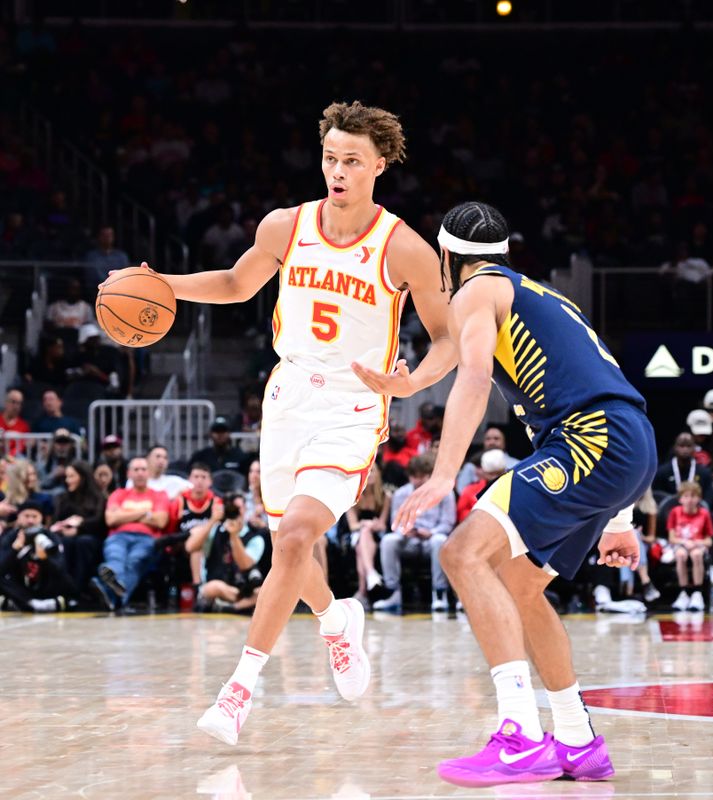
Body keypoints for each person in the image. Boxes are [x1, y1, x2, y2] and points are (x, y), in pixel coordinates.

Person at [104, 101, 455, 745]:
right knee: (291, 549)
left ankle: (238, 692)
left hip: (353, 405)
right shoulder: (285, 226)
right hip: (288, 395)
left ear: (379, 165)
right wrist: (166, 286)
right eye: (330, 157)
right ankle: (334, 620)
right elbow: (238, 284)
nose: (338, 171)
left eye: (352, 160)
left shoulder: (404, 247)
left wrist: (413, 382)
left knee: (293, 539)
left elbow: (447, 341)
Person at [393, 201, 657, 787]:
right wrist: (620, 516)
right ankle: (578, 738)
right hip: (624, 439)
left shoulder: (474, 291)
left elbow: (474, 375)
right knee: (517, 584)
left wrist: (442, 473)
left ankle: (519, 735)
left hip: (589, 437)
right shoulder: (530, 294)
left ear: (445, 257)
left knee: (461, 553)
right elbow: (604, 386)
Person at [372, 453, 456, 612]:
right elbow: (395, 523)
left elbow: (448, 523)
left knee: (439, 539)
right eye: (414, 476)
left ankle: (439, 593)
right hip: (409, 541)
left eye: (422, 476)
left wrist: (431, 532)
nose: (418, 481)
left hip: (432, 540)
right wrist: (405, 530)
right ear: (409, 476)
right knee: (389, 541)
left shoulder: (445, 493)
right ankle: (393, 592)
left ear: (430, 475)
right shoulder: (401, 494)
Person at [90, 456, 169, 612]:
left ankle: (108, 592)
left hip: (146, 538)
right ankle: (119, 599)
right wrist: (145, 513)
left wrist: (124, 514)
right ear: (129, 474)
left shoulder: (160, 495)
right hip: (118, 536)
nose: (140, 473)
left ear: (149, 473)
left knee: (134, 561)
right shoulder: (119, 494)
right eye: (136, 470)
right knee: (115, 558)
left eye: (143, 469)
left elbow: (160, 521)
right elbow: (111, 519)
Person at [0, 501, 74, 612]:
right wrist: (14, 550)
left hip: (45, 585)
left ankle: (19, 604)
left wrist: (44, 558)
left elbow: (60, 569)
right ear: (19, 517)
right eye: (26, 516)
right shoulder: (10, 536)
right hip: (20, 586)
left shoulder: (51, 537)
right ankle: (33, 603)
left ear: (41, 518)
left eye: (35, 516)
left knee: (67, 580)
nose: (30, 520)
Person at [51, 460, 107, 596]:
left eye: (72, 476)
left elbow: (99, 522)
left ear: (83, 477)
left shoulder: (98, 497)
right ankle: (65, 588)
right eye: (66, 476)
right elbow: (56, 520)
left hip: (90, 537)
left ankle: (78, 588)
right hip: (65, 536)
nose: (68, 480)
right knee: (66, 542)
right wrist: (66, 528)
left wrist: (80, 526)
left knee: (83, 542)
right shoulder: (62, 498)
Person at [345, 466, 392, 608]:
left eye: (373, 472)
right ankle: (371, 574)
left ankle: (362, 591)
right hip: (355, 535)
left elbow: (383, 525)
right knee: (363, 535)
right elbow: (352, 525)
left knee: (362, 545)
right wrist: (365, 524)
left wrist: (373, 525)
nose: (370, 475)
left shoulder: (385, 496)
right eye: (368, 472)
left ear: (378, 474)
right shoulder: (353, 496)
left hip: (377, 534)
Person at [667, 481, 713, 612]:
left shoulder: (704, 513)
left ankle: (697, 592)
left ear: (699, 498)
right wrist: (684, 542)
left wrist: (697, 543)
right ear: (680, 499)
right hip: (681, 544)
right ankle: (683, 592)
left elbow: (709, 541)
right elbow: (671, 538)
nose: (690, 500)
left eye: (693, 496)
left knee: (697, 554)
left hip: (698, 545)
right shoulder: (675, 512)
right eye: (686, 496)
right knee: (681, 555)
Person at [0, 388, 31, 456]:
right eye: (13, 402)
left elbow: (21, 447)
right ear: (6, 402)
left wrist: (8, 458)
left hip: (14, 460)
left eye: (19, 403)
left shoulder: (24, 426)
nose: (16, 406)